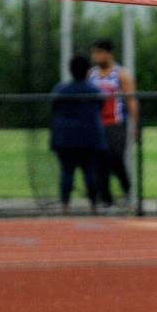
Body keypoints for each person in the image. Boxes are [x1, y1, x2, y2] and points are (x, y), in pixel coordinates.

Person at [50, 54, 106, 212]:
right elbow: (100, 106)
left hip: (65, 138)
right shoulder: (94, 90)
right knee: (90, 172)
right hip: (90, 138)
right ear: (88, 71)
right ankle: (94, 204)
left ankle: (65, 204)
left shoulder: (61, 90)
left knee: (67, 172)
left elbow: (53, 108)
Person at [88, 38, 139, 209]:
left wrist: (135, 124)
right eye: (94, 53)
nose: (96, 56)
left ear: (108, 54)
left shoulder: (121, 74)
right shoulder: (92, 75)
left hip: (116, 123)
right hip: (97, 124)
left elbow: (131, 101)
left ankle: (127, 190)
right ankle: (106, 199)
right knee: (100, 162)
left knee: (115, 158)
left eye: (99, 53)